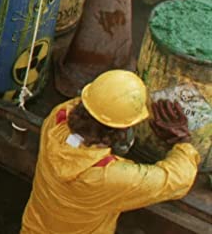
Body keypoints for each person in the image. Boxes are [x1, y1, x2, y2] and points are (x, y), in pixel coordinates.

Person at [22, 69, 200, 233]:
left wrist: (114, 98)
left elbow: (89, 107)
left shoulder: (56, 120)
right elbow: (177, 180)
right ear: (122, 131)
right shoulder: (108, 176)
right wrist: (183, 141)